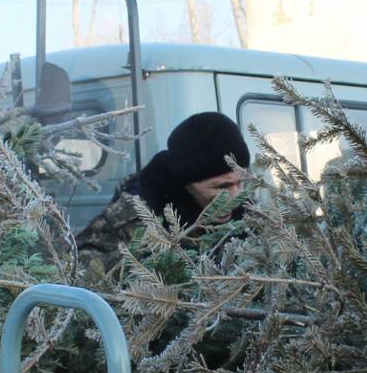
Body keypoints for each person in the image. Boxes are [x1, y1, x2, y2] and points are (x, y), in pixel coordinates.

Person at [76, 111, 250, 280]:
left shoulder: (251, 214)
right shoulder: (136, 213)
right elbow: (81, 267)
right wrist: (153, 268)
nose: (236, 196)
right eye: (221, 187)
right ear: (187, 183)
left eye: (240, 182)